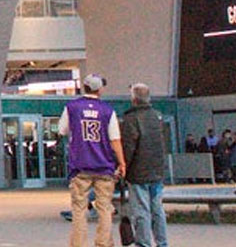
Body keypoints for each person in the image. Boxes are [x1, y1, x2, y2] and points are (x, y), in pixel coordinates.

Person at [57, 73, 124, 247]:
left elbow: (62, 130)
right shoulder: (108, 110)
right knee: (104, 208)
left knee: (79, 210)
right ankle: (103, 243)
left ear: (84, 86)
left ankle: (78, 244)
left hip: (80, 166)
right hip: (104, 166)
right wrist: (122, 162)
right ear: (99, 89)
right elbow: (115, 139)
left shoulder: (72, 107)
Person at [122, 85, 169, 247]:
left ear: (134, 99)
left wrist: (122, 167)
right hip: (156, 171)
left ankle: (143, 243)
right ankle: (162, 243)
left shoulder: (131, 119)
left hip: (138, 173)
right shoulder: (157, 116)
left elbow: (129, 147)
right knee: (157, 209)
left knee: (141, 210)